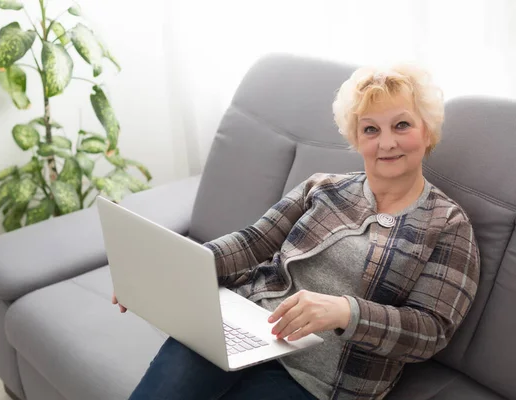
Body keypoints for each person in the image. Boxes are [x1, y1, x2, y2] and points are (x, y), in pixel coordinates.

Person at [113, 64, 480, 400]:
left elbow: (431, 331)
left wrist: (345, 312)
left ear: (427, 130)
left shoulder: (448, 226)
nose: (386, 142)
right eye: (371, 129)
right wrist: (164, 272)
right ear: (356, 137)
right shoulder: (322, 187)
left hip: (317, 382)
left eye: (401, 125)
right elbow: (252, 242)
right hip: (242, 328)